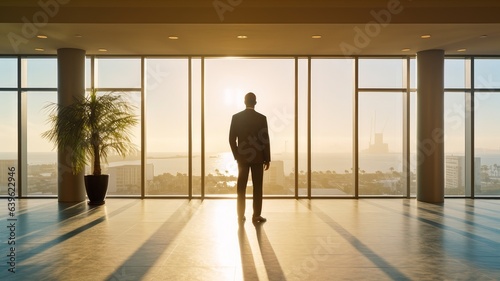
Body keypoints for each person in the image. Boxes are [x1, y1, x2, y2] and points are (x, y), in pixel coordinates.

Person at [229, 92, 271, 223]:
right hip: (258, 158)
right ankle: (256, 216)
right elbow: (265, 140)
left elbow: (231, 139)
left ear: (244, 102)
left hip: (242, 159)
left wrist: (237, 156)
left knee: (241, 188)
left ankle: (240, 216)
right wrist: (267, 158)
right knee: (258, 187)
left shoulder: (236, 117)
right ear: (255, 102)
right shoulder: (261, 118)